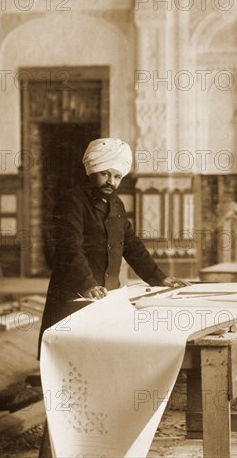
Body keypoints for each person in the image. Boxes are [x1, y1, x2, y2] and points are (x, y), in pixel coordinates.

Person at [38, 137, 188, 357]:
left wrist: (159, 278)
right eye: (105, 174)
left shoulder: (116, 204)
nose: (111, 181)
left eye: (117, 176)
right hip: (76, 292)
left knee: (103, 353)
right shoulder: (73, 201)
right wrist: (87, 284)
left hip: (108, 293)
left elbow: (132, 245)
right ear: (92, 171)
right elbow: (69, 247)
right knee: (69, 355)